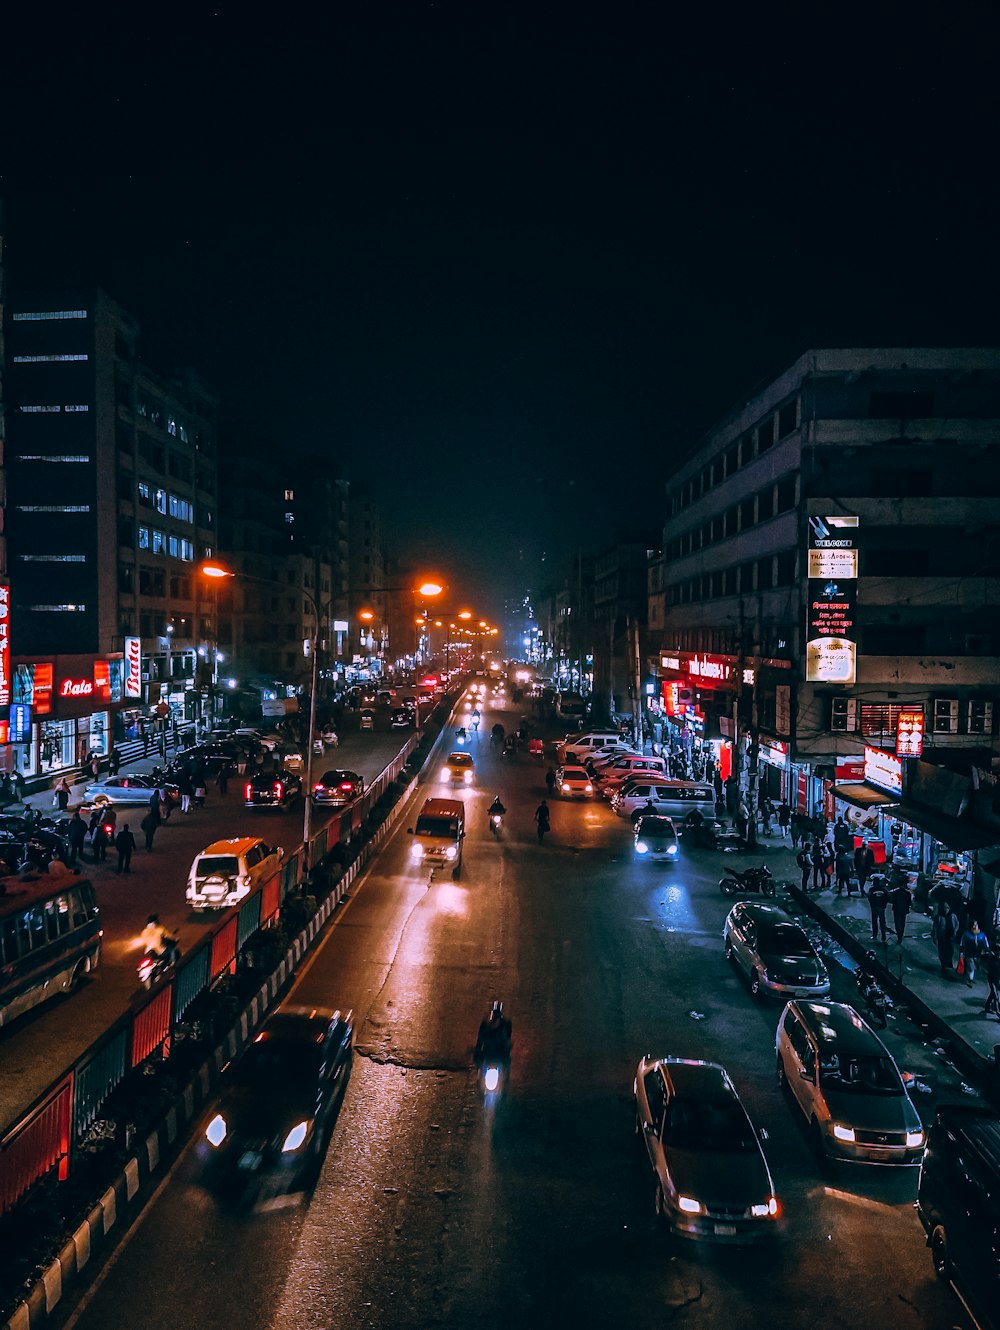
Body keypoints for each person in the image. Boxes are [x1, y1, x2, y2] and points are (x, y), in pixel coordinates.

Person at [475, 1000, 512, 1065]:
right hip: (487, 1057)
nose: (493, 1023)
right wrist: (477, 1057)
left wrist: (506, 1053)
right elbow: (479, 1042)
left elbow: (506, 1044)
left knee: (506, 1065)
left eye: (496, 1021)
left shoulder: (503, 1030)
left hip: (499, 1058)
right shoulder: (485, 1029)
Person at [932, 900, 960, 973]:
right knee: (942, 951)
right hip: (942, 937)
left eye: (947, 907)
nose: (946, 909)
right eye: (944, 907)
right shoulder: (938, 917)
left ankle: (949, 962)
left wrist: (955, 931)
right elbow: (935, 928)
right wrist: (935, 937)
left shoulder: (953, 916)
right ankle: (943, 965)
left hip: (950, 936)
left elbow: (957, 924)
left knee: (950, 950)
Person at [960, 921, 990, 988]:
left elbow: (986, 943)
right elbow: (962, 943)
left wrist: (986, 950)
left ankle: (970, 977)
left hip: (977, 954)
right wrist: (962, 951)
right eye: (973, 925)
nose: (975, 926)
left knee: (975, 966)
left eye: (976, 925)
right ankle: (969, 979)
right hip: (969, 953)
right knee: (971, 966)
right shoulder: (967, 934)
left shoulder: (981, 935)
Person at [867, 874, 890, 943]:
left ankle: (875, 935)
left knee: (874, 921)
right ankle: (883, 936)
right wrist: (884, 905)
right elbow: (887, 897)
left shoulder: (872, 889)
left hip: (874, 907)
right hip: (881, 907)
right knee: (882, 921)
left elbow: (870, 898)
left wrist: (872, 905)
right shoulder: (883, 889)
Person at [889, 876, 912, 943]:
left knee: (897, 923)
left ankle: (899, 935)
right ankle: (901, 935)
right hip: (904, 910)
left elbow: (892, 900)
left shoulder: (895, 892)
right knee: (902, 923)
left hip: (897, 909)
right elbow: (909, 903)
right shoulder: (907, 893)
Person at [984, 950, 1000, 1018]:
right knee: (995, 995)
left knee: (992, 994)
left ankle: (987, 1007)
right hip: (992, 979)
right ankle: (998, 1013)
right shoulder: (992, 959)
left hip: (997, 979)